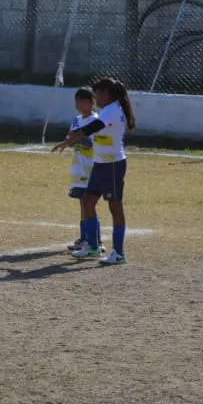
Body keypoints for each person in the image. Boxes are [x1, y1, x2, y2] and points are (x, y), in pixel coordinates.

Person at [53, 77, 135, 266]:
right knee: (88, 202)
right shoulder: (109, 110)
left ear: (105, 94)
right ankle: (92, 246)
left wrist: (67, 141)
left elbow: (91, 128)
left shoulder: (112, 111)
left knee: (115, 208)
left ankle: (119, 253)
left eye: (96, 94)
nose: (95, 98)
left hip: (113, 165)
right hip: (99, 164)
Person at [62, 87, 102, 256]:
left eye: (84, 101)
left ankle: (96, 239)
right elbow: (70, 138)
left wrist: (77, 137)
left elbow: (92, 142)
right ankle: (84, 238)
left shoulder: (97, 120)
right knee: (82, 202)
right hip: (78, 167)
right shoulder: (77, 120)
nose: (80, 104)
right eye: (77, 101)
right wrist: (71, 138)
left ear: (92, 102)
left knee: (89, 203)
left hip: (91, 166)